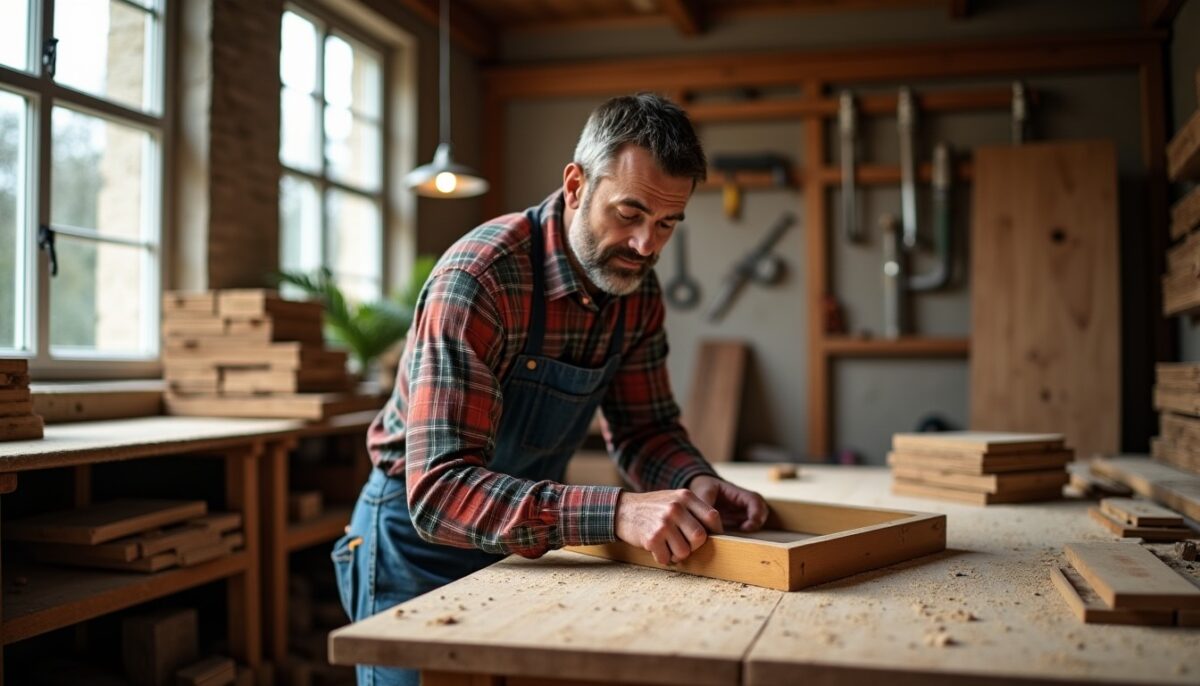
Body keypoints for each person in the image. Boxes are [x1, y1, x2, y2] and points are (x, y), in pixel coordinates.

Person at [333, 92, 769, 686]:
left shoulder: (636, 291)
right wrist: (616, 512)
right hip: (418, 545)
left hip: (522, 543)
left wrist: (694, 481)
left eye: (667, 224)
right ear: (574, 186)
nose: (647, 246)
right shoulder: (480, 280)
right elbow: (439, 493)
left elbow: (645, 429)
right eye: (629, 212)